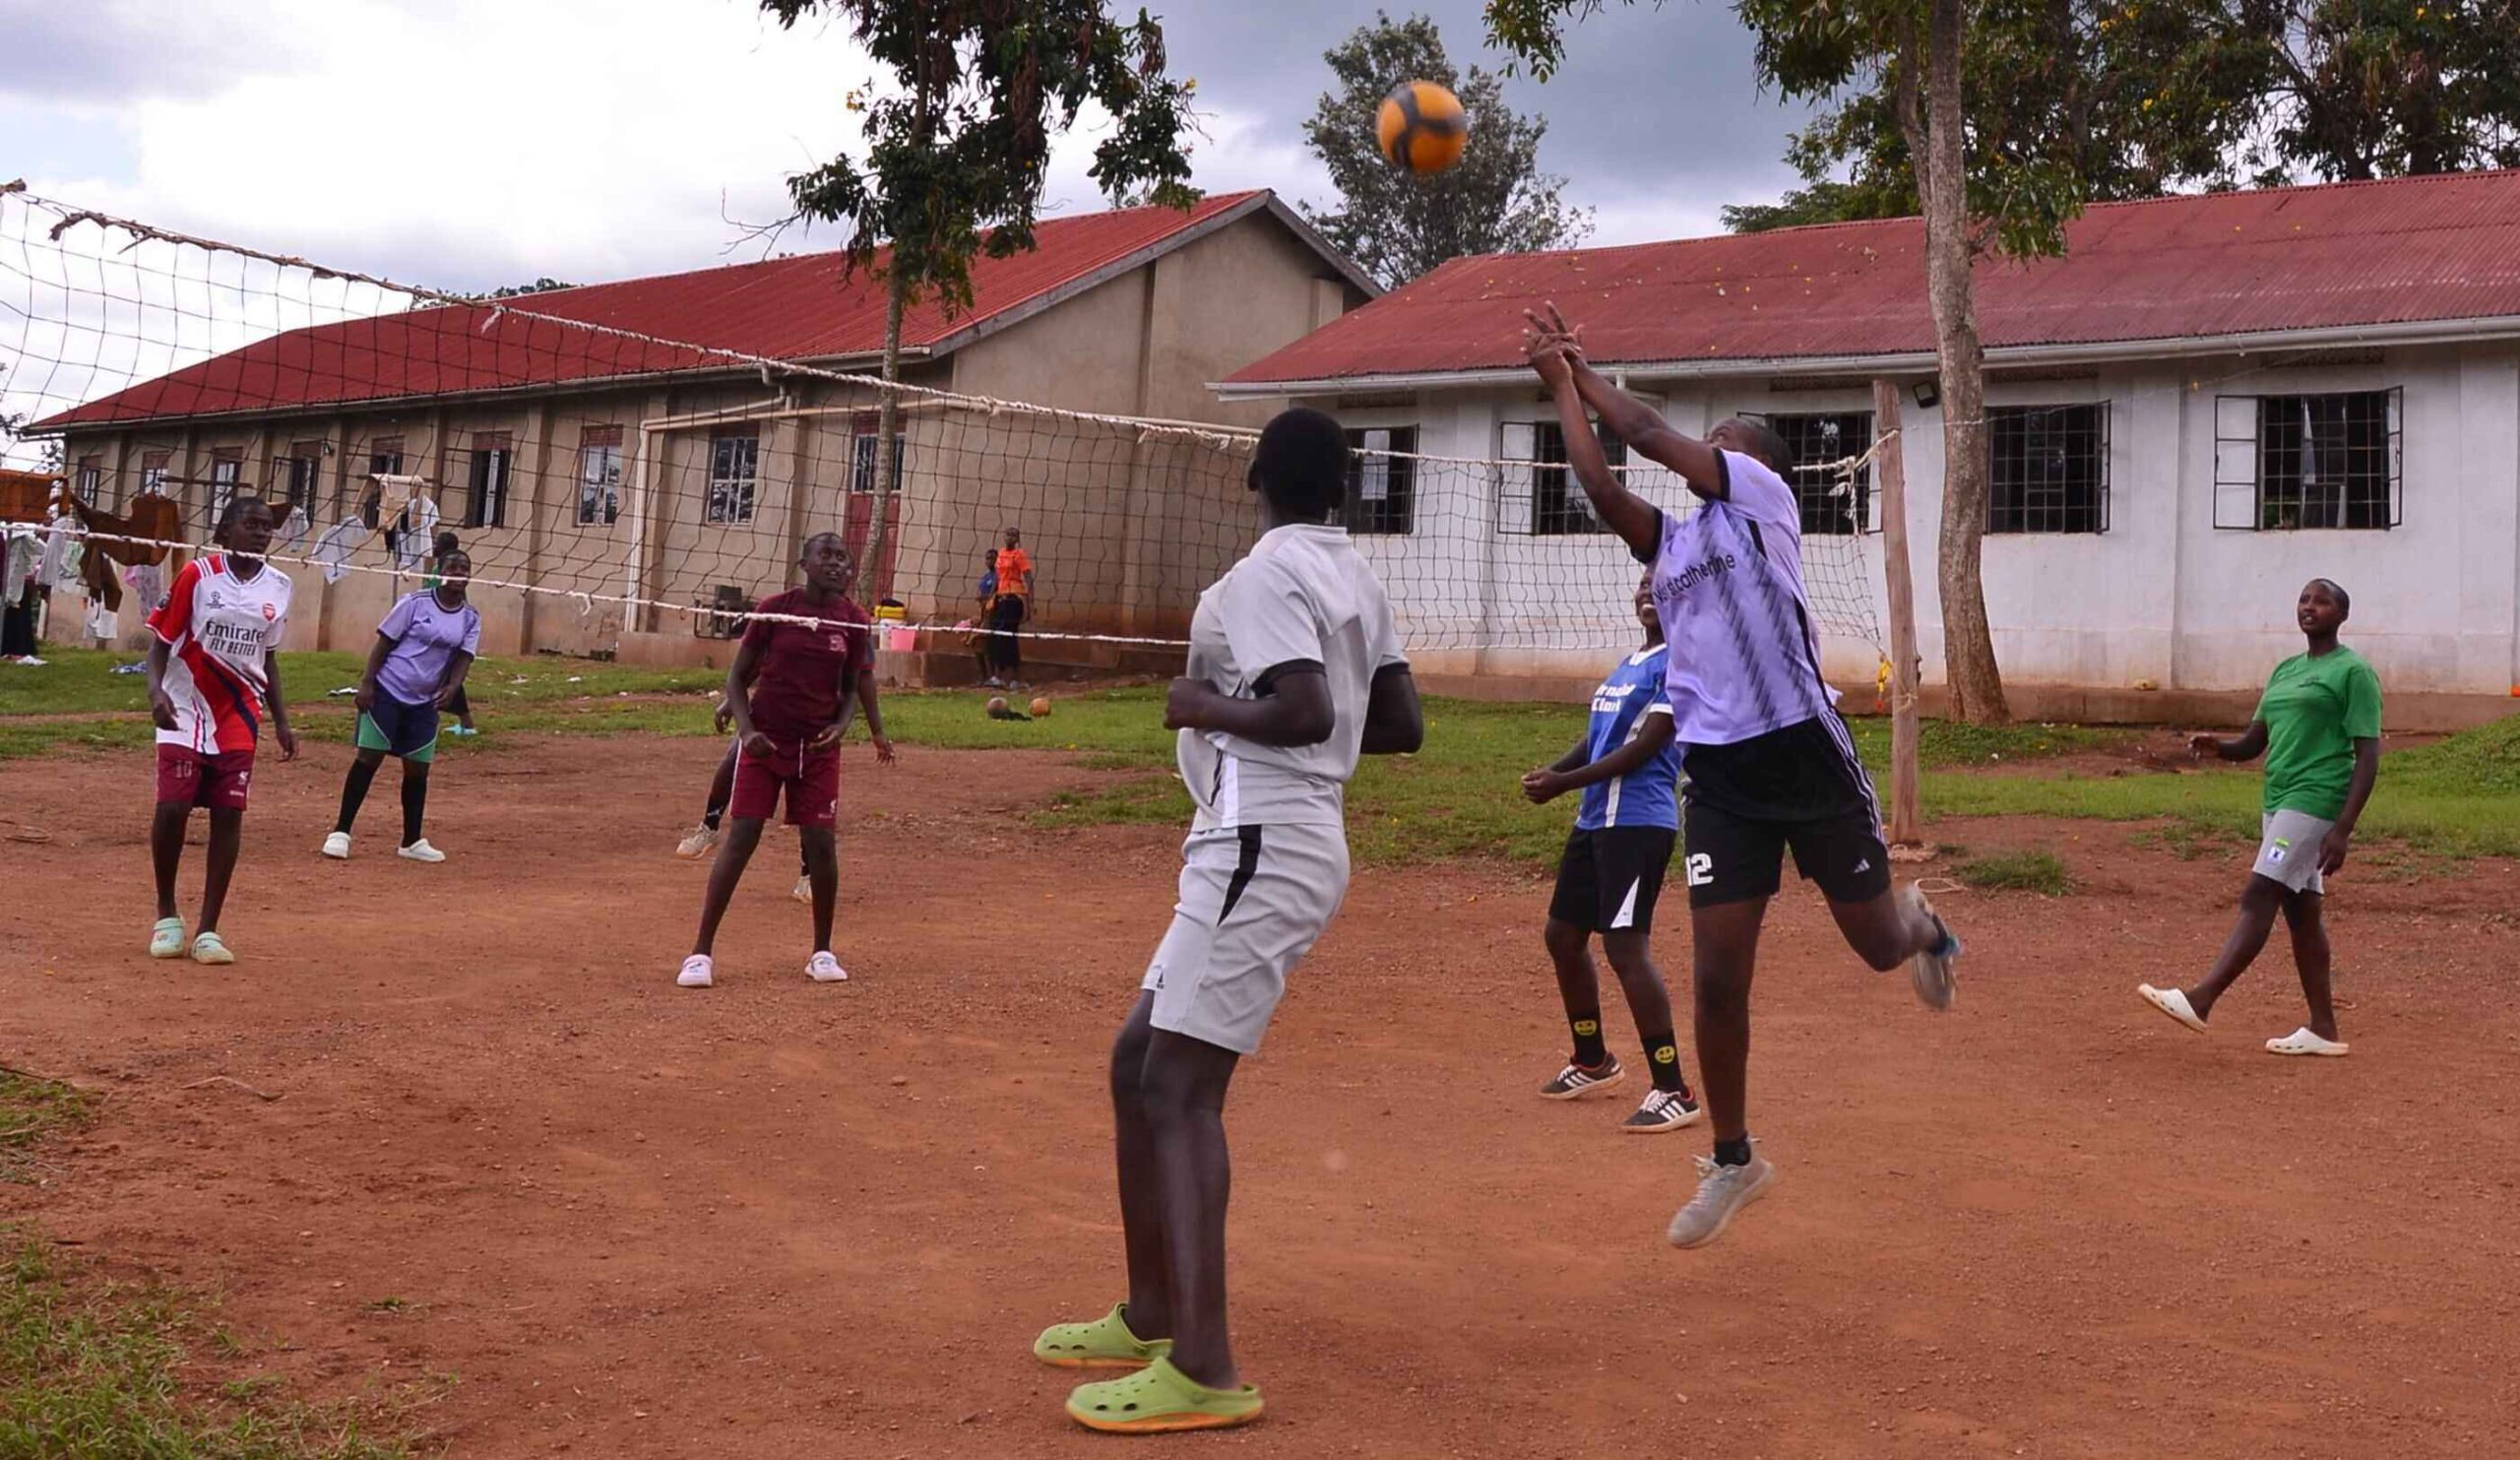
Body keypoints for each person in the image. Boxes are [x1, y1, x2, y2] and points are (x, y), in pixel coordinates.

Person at [1522, 302, 1962, 1250]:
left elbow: (1639, 432)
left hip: (1804, 747)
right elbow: (1602, 481)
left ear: (1753, 460)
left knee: (1878, 947)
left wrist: (1582, 369)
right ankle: (1733, 1158)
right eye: (1708, 433)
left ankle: (1920, 923)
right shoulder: (1675, 547)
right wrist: (1562, 390)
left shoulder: (1761, 502)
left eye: (1721, 436)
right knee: (1719, 979)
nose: (1705, 440)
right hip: (1719, 774)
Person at [1033, 407, 1422, 1434]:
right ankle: (1154, 1310)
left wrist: (1203, 709)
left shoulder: (1259, 579)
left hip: (1261, 842)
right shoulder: (1356, 578)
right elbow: (1399, 724)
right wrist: (1298, 752)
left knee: (1177, 1085)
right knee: (1136, 1060)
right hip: (1268, 837)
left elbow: (1306, 712)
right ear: (1342, 489)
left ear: (1254, 476)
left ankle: (1204, 1367)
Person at [2140, 579, 2380, 1057]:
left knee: (2260, 890)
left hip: (2316, 799)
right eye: (2305, 600)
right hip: (2278, 800)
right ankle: (2323, 1029)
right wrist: (2220, 747)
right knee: (2302, 915)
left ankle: (2201, 1000)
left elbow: (2368, 753)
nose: (2310, 607)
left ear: (2342, 615)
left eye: (2322, 601)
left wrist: (2343, 829)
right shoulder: (2286, 670)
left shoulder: (2353, 672)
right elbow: (2256, 740)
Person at [1521, 572, 1700, 1133]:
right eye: (1645, 584)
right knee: (1563, 936)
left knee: (1625, 947)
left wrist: (1564, 783)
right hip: (1596, 818)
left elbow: (1646, 748)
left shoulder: (1683, 662)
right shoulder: (1630, 664)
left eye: (1664, 585)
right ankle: (1593, 1059)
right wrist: (1557, 771)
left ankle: (1674, 1088)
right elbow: (1600, 738)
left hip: (1638, 823)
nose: (1650, 592)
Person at [674, 533, 893, 989]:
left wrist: (846, 725)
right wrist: (747, 729)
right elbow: (738, 677)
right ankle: (700, 954)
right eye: (826, 556)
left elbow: (852, 686)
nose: (836, 565)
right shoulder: (776, 608)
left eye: (842, 559)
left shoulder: (852, 620)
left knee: (821, 846)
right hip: (766, 742)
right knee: (743, 837)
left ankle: (822, 952)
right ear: (805, 564)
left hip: (817, 748)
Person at [145, 495, 297, 965]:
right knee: (173, 808)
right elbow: (160, 642)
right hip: (185, 707)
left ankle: (209, 929)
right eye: (250, 524)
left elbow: (267, 657)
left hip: (239, 713)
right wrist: (155, 693)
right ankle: (167, 914)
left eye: (266, 526)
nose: (260, 533)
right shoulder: (198, 575)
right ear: (225, 531)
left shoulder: (280, 585)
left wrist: (282, 719)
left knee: (229, 816)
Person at [321, 547, 480, 863]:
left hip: (425, 701)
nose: (459, 573)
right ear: (440, 570)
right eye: (453, 567)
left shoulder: (470, 617)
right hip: (388, 690)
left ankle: (411, 840)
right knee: (369, 758)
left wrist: (452, 687)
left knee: (418, 768)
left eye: (464, 568)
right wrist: (367, 682)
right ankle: (340, 832)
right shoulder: (414, 603)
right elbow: (384, 642)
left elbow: (464, 656)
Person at [420, 532, 477, 736]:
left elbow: (450, 601)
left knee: (449, 679)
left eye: (436, 542)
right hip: (436, 631)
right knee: (444, 678)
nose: (433, 545)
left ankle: (466, 724)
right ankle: (464, 723)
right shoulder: (439, 569)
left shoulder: (444, 572)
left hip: (443, 631)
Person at [986, 526, 1034, 689]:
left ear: (1017, 539)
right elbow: (997, 578)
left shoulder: (1019, 555)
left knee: (1009, 638)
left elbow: (1028, 578)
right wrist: (991, 597)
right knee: (997, 637)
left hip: (1014, 600)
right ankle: (998, 677)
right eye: (1008, 535)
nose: (1010, 538)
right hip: (1000, 599)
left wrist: (1030, 603)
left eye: (1013, 535)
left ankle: (1016, 678)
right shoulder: (1000, 554)